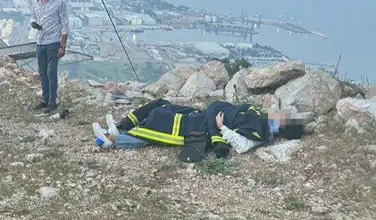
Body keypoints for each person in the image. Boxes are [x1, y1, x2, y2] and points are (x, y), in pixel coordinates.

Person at [93, 99, 305, 157]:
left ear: (282, 126)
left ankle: (113, 139)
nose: (280, 115)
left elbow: (241, 145)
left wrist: (221, 127)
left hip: (205, 127)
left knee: (162, 127)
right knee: (161, 105)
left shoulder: (261, 133)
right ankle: (123, 125)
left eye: (284, 118)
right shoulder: (259, 116)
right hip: (205, 115)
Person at [30, 0, 69, 113]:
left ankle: (52, 102)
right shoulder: (35, 1)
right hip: (40, 41)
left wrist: (62, 46)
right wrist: (34, 23)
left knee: (51, 73)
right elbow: (33, 16)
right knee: (42, 73)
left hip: (53, 42)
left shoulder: (59, 2)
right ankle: (44, 99)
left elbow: (65, 25)